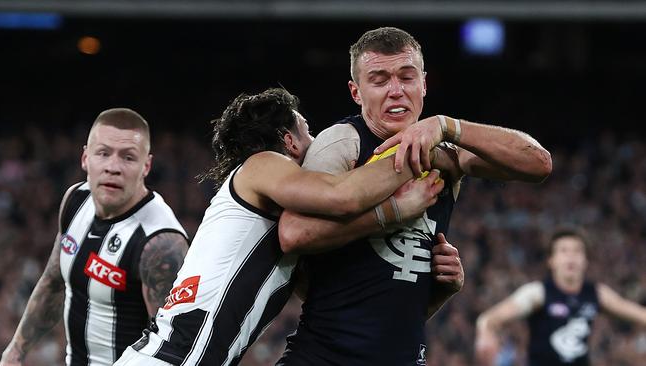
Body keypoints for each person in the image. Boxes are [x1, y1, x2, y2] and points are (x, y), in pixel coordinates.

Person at [276, 26, 553, 365]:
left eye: (406, 78)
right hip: (325, 356)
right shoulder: (343, 143)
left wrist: (449, 126)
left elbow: (538, 164)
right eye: (379, 80)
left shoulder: (448, 153)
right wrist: (391, 212)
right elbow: (295, 233)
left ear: (423, 83)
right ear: (356, 92)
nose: (396, 91)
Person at [113, 88, 446, 366]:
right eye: (308, 131)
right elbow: (341, 195)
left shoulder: (272, 216)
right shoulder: (263, 164)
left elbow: (341, 301)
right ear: (289, 141)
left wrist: (442, 289)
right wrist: (414, 159)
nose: (316, 141)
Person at [0, 108, 190, 366]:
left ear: (146, 166)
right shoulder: (75, 200)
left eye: (128, 158)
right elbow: (54, 282)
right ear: (86, 158)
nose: (113, 167)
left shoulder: (161, 244)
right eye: (103, 153)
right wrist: (16, 351)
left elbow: (173, 350)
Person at [475, 227, 646, 366]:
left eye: (577, 251)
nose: (571, 256)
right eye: (563, 251)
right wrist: (485, 333)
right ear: (551, 260)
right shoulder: (537, 293)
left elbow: (639, 315)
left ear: (585, 260)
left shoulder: (597, 293)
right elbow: (491, 318)